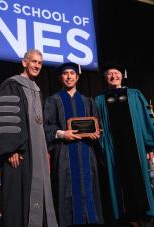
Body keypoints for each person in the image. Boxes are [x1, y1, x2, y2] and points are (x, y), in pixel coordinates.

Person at [0, 49, 58, 227]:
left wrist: (45, 150)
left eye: (40, 63)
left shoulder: (36, 89)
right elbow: (9, 119)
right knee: (18, 196)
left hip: (37, 153)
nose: (37, 66)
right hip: (20, 152)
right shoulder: (12, 84)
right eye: (33, 61)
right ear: (24, 62)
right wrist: (11, 148)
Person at [95, 64, 154, 226]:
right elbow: (97, 125)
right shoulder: (99, 99)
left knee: (138, 176)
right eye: (110, 74)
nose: (113, 76)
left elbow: (147, 119)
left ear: (122, 75)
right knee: (118, 180)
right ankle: (126, 216)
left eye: (116, 73)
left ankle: (143, 213)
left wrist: (149, 146)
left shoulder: (134, 94)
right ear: (105, 78)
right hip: (113, 147)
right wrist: (102, 145)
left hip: (136, 145)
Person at [43, 62, 103, 227]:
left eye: (72, 73)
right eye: (65, 73)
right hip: (64, 153)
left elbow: (96, 126)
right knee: (66, 190)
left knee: (88, 187)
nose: (69, 76)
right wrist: (63, 133)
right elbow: (46, 126)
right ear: (60, 77)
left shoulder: (88, 101)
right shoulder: (53, 100)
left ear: (77, 77)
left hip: (86, 152)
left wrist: (96, 134)